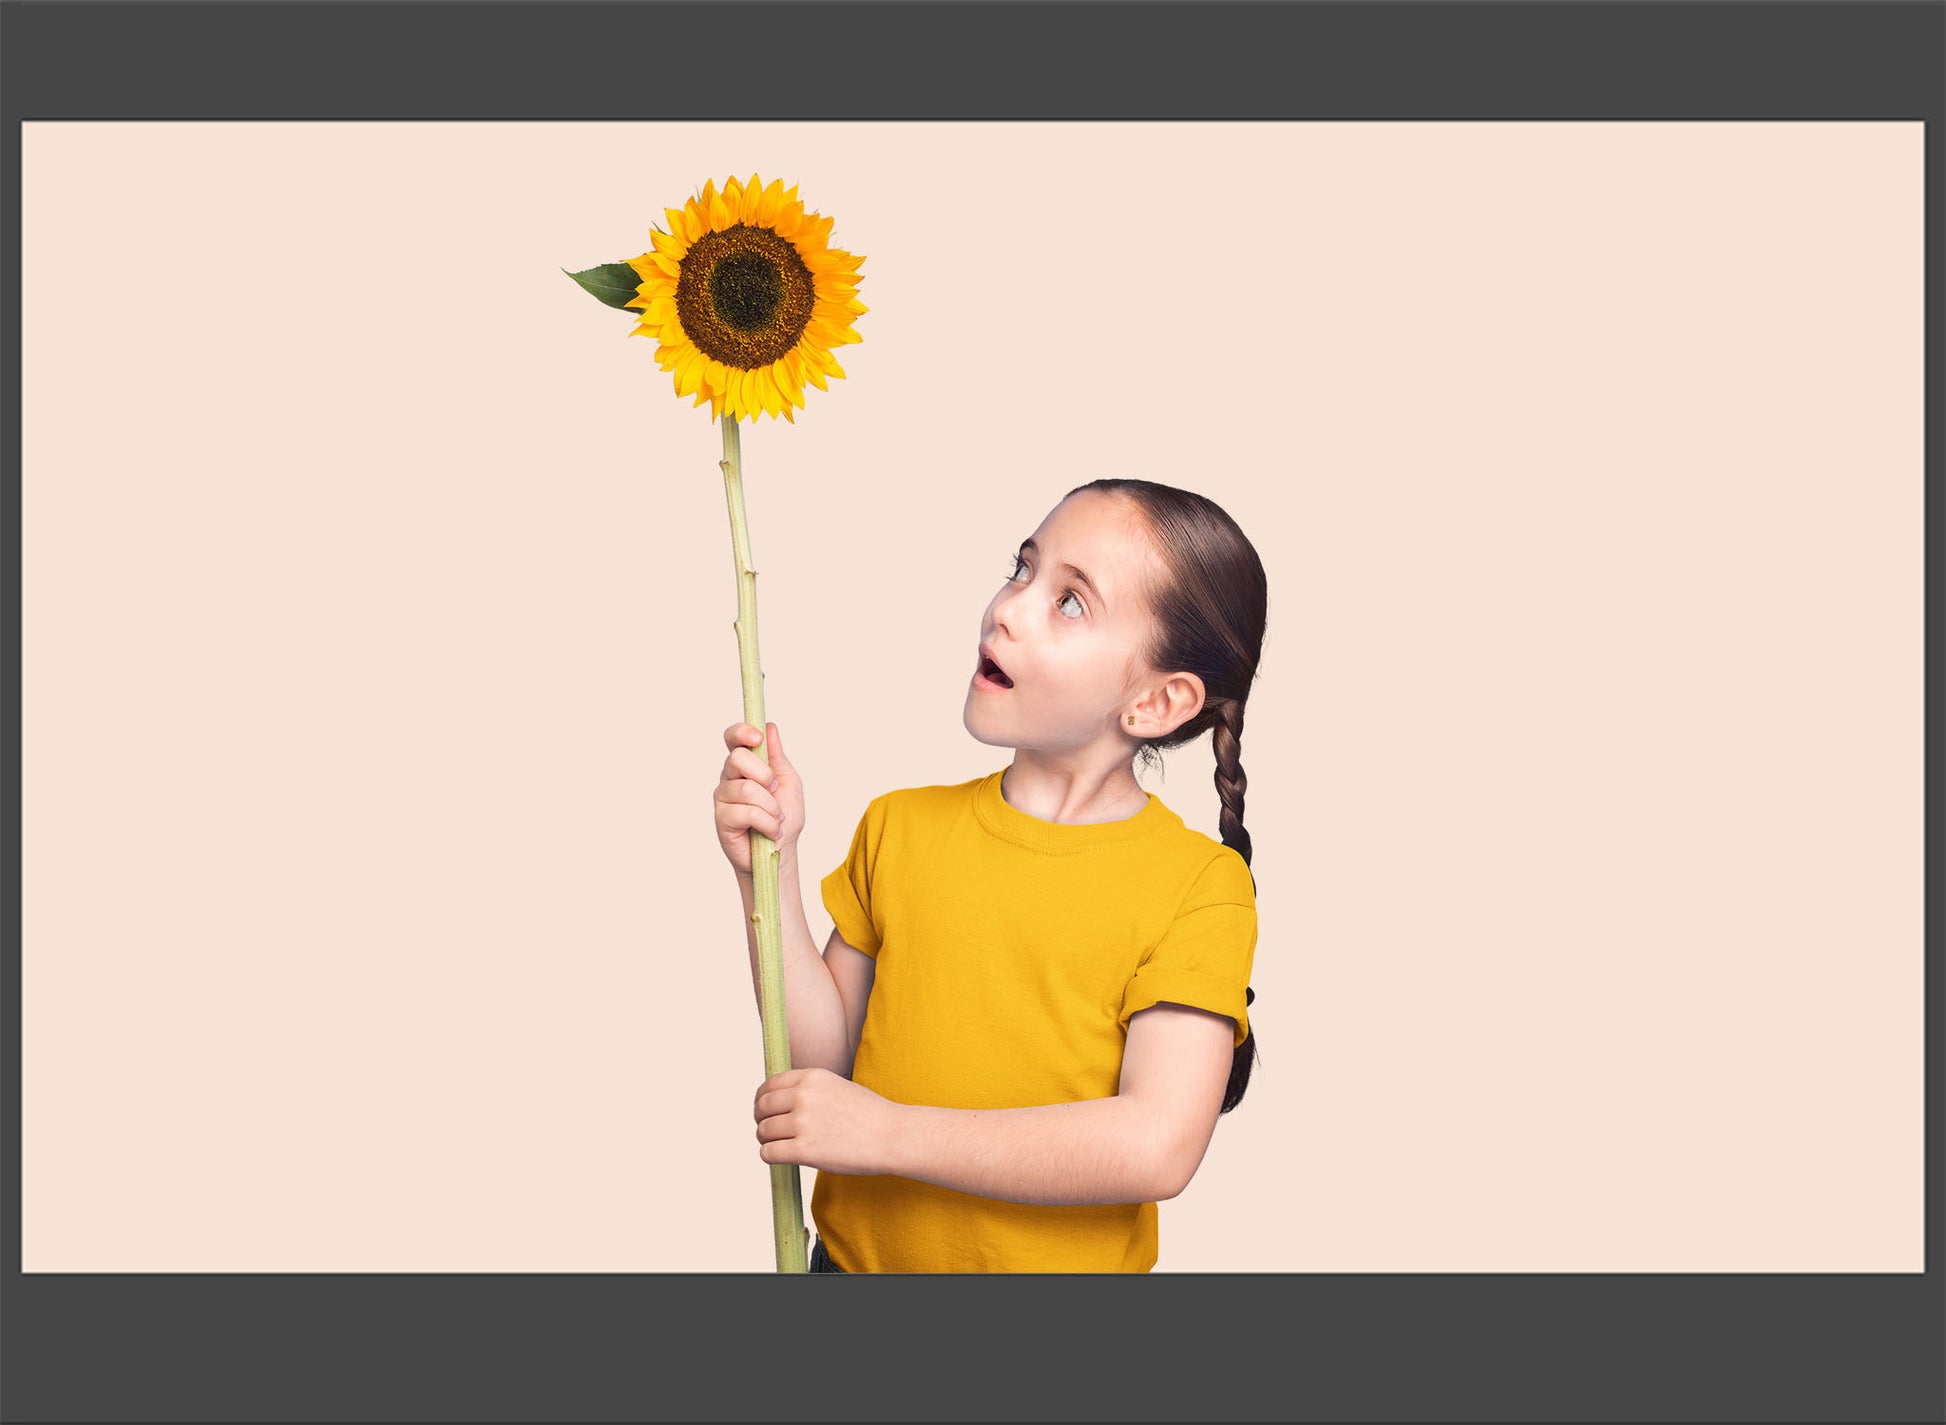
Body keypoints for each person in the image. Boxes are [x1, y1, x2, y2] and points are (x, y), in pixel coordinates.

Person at [710, 479, 1266, 1273]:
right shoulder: (898, 828)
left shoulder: (1198, 886)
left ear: (1156, 701)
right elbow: (823, 1070)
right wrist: (770, 867)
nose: (1008, 607)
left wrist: (888, 1134)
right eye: (1022, 568)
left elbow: (1157, 1144)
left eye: (1070, 601)